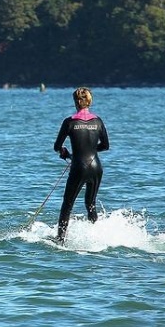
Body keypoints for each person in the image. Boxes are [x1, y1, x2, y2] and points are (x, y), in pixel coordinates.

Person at [53, 87, 109, 244]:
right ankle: (97, 238)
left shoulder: (69, 122)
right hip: (96, 167)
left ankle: (60, 240)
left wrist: (65, 152)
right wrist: (90, 150)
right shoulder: (98, 121)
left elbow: (57, 146)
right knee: (90, 204)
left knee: (67, 204)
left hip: (79, 167)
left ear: (75, 102)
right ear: (89, 101)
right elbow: (105, 146)